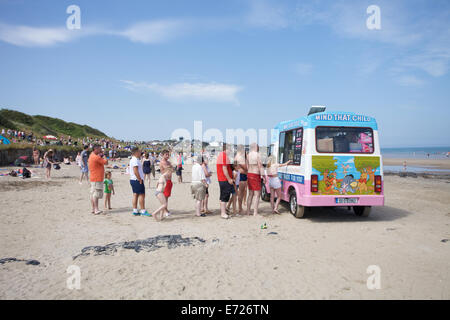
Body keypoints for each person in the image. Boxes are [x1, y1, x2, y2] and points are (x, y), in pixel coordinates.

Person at [246, 143, 266, 216]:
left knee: (250, 194)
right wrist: (263, 176)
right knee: (257, 195)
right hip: (255, 174)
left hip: (249, 174)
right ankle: (255, 212)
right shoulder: (257, 154)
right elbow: (260, 166)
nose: (258, 147)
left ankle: (248, 211)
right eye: (258, 146)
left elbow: (247, 166)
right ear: (255, 147)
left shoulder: (248, 155)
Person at [129, 147, 150, 216]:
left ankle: (135, 210)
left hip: (133, 179)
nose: (140, 153)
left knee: (135, 194)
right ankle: (143, 211)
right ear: (136, 152)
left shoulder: (133, 159)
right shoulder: (135, 160)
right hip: (136, 179)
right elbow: (135, 170)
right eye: (139, 152)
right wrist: (140, 179)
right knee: (141, 195)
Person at [88, 145, 108, 215]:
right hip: (97, 177)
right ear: (95, 149)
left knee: (93, 193)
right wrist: (104, 156)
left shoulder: (91, 155)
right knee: (96, 194)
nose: (100, 150)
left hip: (93, 177)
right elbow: (106, 162)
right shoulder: (96, 157)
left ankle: (94, 209)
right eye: (99, 149)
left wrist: (100, 155)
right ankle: (96, 209)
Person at [216, 143, 234, 219]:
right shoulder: (223, 156)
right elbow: (224, 169)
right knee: (225, 196)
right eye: (230, 149)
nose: (231, 151)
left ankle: (223, 211)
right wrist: (229, 179)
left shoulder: (222, 155)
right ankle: (223, 213)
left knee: (222, 196)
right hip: (224, 179)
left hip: (222, 179)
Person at [159, 149, 173, 216]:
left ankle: (165, 210)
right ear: (163, 155)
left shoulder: (168, 162)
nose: (167, 156)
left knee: (167, 197)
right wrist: (170, 167)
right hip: (165, 181)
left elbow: (172, 170)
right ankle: (165, 210)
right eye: (166, 154)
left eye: (168, 154)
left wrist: (170, 167)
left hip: (169, 180)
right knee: (164, 197)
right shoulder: (162, 162)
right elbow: (167, 170)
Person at [235, 145, 248, 213]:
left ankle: (239, 207)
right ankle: (240, 208)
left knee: (241, 192)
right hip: (241, 176)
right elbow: (246, 168)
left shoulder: (238, 156)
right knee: (241, 193)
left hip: (242, 175)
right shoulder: (240, 157)